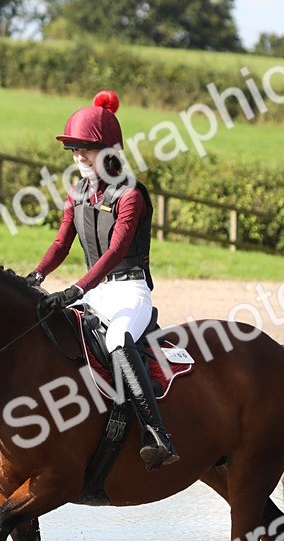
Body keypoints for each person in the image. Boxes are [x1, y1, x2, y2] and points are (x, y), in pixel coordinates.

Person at [27, 90, 179, 470]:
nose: (78, 155)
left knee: (117, 339)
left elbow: (114, 252)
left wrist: (77, 288)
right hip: (96, 292)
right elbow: (62, 242)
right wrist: (36, 275)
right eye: (74, 149)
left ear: (109, 151)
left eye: (86, 148)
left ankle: (157, 435)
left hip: (129, 290)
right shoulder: (77, 193)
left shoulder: (130, 195)